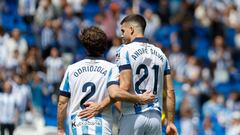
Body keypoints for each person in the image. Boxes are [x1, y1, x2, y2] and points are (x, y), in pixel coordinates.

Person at [57, 26, 154, 135]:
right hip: (102, 127)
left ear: (85, 47)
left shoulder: (71, 69)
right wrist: (138, 100)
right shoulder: (112, 69)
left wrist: (60, 129)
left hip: (77, 126)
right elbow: (116, 96)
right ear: (104, 46)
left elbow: (62, 102)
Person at [116, 14, 178, 135]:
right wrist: (170, 122)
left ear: (132, 30)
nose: (121, 35)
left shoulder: (124, 50)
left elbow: (124, 86)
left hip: (132, 116)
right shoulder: (161, 54)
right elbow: (170, 92)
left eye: (123, 31)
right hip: (155, 118)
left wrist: (101, 105)